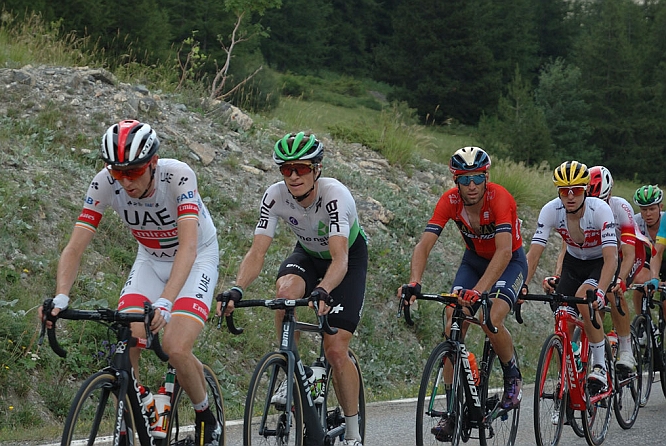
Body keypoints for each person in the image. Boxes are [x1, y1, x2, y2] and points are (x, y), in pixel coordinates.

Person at [38, 120, 221, 445]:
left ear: (152, 163)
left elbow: (189, 247)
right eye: (117, 172)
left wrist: (166, 301)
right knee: (129, 333)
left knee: (175, 347)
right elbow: (75, 246)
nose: (125, 180)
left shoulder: (178, 175)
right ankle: (144, 408)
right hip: (150, 259)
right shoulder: (104, 183)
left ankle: (206, 414)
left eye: (133, 171)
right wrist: (61, 296)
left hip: (195, 259)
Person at [219, 131, 368, 446]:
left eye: (301, 168)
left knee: (335, 349)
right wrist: (237, 289)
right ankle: (290, 367)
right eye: (286, 169)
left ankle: (353, 433)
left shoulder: (335, 196)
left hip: (347, 260)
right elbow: (257, 252)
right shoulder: (274, 196)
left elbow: (340, 259)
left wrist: (325, 289)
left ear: (317, 168)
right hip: (308, 255)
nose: (294, 176)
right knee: (285, 292)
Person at [399, 146, 526, 441]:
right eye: (465, 178)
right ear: (456, 180)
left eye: (478, 178)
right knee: (452, 321)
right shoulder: (450, 201)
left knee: (492, 316)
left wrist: (479, 291)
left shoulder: (500, 198)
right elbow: (424, 244)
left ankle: (511, 374)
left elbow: (505, 251)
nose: (472, 185)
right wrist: (414, 281)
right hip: (473, 261)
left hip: (508, 261)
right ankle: (452, 411)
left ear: (486, 177)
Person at [524, 161, 617, 392]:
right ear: (559, 193)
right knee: (562, 314)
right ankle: (566, 377)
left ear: (585, 190)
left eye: (576, 190)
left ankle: (599, 366)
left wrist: (602, 292)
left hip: (599, 262)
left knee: (585, 298)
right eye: (565, 191)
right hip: (573, 263)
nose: (571, 196)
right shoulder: (550, 210)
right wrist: (522, 286)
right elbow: (533, 255)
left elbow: (611, 259)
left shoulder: (600, 210)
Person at [584, 166, 642, 373]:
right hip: (601, 256)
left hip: (628, 252)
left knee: (613, 290)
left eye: (601, 201)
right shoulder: (583, 208)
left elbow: (629, 253)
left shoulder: (621, 208)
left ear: (609, 195)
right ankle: (602, 344)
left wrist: (621, 279)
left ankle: (626, 349)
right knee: (589, 298)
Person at [632, 185, 665, 315]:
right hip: (648, 257)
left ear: (660, 207)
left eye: (652, 209)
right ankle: (641, 320)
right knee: (640, 282)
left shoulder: (665, 221)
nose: (648, 214)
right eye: (644, 210)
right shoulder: (635, 222)